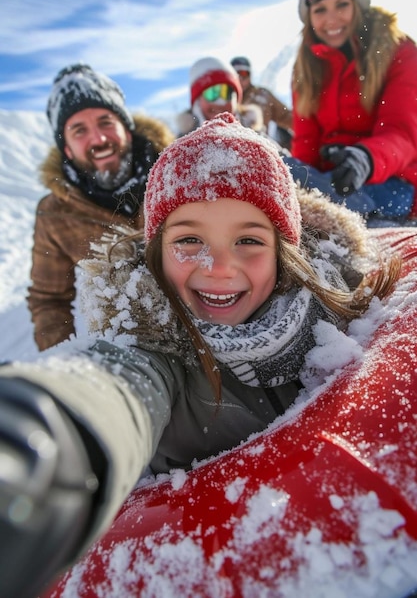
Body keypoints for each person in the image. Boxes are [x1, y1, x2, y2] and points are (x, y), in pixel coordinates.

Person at [0, 113, 400, 598]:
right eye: (189, 239)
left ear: (283, 250)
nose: (219, 266)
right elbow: (114, 387)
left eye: (248, 240)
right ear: (156, 252)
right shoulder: (155, 349)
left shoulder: (332, 309)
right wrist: (43, 435)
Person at [27, 63, 175, 351]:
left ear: (127, 128)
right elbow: (49, 300)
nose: (99, 139)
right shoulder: (55, 212)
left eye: (106, 122)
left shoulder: (176, 170)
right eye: (79, 130)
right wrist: (64, 362)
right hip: (132, 348)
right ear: (66, 148)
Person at [289, 0, 417, 226]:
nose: (331, 19)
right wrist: (300, 180)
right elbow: (306, 146)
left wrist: (365, 159)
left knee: (334, 210)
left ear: (358, 4)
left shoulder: (399, 52)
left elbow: (403, 133)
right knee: (282, 169)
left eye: (342, 5)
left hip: (393, 183)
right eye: (320, 10)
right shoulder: (306, 68)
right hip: (330, 181)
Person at [176, 56, 265, 136]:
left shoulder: (258, 138)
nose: (220, 101)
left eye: (226, 93)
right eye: (212, 93)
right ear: (198, 101)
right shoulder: (180, 149)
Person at [231, 56, 294, 148]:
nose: (240, 79)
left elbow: (286, 117)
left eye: (244, 74)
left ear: (250, 76)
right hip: (229, 151)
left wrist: (311, 127)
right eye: (236, 75)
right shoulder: (222, 98)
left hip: (260, 149)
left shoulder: (263, 96)